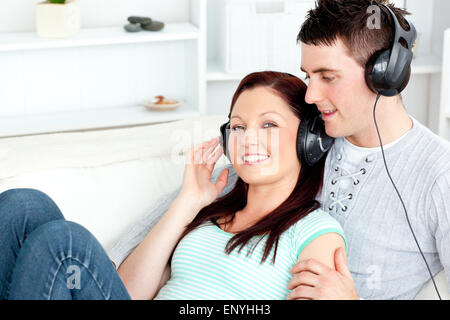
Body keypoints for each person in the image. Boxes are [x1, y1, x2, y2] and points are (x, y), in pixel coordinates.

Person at [108, 0, 450, 300]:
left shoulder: (439, 176)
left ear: (383, 74)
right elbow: (131, 257)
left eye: (327, 77)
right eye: (308, 75)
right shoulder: (306, 137)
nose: (311, 95)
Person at [0, 71, 346, 300]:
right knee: (23, 205)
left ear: (308, 139)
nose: (247, 140)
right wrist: (187, 203)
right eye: (238, 127)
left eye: (268, 125)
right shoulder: (210, 212)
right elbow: (129, 292)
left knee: (65, 242)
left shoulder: (315, 232)